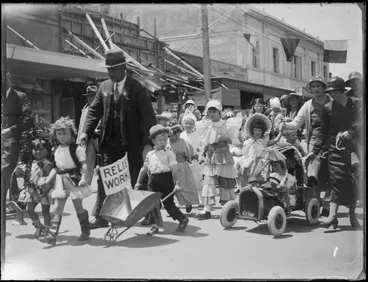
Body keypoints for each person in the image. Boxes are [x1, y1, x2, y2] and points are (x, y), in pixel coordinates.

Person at [80, 48, 157, 229]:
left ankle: (150, 214)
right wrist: (85, 132)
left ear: (123, 67)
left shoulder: (137, 88)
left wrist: (148, 143)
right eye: (108, 69)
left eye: (114, 69)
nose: (111, 73)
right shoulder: (104, 87)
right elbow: (94, 111)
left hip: (133, 143)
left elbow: (148, 117)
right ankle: (101, 216)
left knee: (140, 176)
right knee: (105, 178)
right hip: (109, 141)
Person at [306, 76, 361, 229]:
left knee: (353, 183)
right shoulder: (328, 108)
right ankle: (332, 216)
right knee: (336, 181)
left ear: (341, 90)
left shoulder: (356, 104)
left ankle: (352, 216)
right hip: (335, 150)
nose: (332, 95)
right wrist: (314, 152)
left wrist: (351, 132)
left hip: (354, 149)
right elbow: (323, 132)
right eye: (330, 92)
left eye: (334, 91)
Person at [283, 75, 332, 216]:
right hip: (313, 141)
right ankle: (315, 203)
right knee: (312, 174)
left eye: (318, 86)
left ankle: (328, 203)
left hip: (331, 141)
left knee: (330, 174)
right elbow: (296, 123)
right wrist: (283, 125)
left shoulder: (332, 102)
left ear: (324, 88)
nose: (315, 89)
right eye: (313, 86)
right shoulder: (307, 105)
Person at [40, 117, 92, 244]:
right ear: (55, 135)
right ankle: (52, 235)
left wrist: (84, 178)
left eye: (65, 133)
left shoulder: (77, 149)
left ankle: (85, 230)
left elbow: (84, 165)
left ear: (71, 134)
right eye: (59, 133)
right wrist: (47, 181)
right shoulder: (55, 150)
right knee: (58, 208)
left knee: (78, 207)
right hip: (60, 181)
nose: (62, 136)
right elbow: (55, 168)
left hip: (74, 180)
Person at [134, 124, 189, 235]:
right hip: (152, 180)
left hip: (165, 179)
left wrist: (177, 183)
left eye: (165, 139)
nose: (163, 142)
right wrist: (138, 182)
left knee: (168, 204)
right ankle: (155, 226)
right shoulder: (150, 154)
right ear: (153, 141)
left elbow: (175, 169)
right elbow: (144, 168)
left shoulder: (170, 154)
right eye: (160, 140)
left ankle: (182, 219)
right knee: (153, 204)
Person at [196, 100, 242, 218]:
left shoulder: (226, 125)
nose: (211, 114)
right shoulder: (206, 125)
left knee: (225, 181)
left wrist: (226, 138)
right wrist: (203, 153)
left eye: (214, 111)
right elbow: (205, 142)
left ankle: (228, 209)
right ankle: (207, 209)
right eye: (209, 111)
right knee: (208, 181)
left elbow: (235, 141)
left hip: (224, 156)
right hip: (211, 156)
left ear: (219, 112)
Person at [2, 71, 34, 215]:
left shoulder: (21, 96)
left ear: (8, 77)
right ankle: (15, 201)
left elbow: (28, 121)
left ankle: (9, 203)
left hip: (13, 139)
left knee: (5, 169)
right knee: (8, 172)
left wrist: (9, 130)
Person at [12, 128, 53, 237]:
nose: (37, 152)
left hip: (44, 191)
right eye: (35, 149)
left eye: (41, 149)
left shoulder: (47, 164)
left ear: (47, 150)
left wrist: (45, 189)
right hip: (32, 191)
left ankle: (47, 229)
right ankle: (39, 225)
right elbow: (27, 176)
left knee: (45, 211)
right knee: (30, 210)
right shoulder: (31, 163)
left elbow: (48, 178)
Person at [238, 113, 285, 187]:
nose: (257, 132)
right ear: (252, 131)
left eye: (259, 130)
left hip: (261, 164)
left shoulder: (263, 141)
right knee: (244, 170)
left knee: (260, 179)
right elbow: (244, 152)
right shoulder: (249, 141)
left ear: (262, 132)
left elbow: (275, 140)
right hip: (250, 163)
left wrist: (281, 132)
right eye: (256, 130)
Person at [168, 124, 199, 213]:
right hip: (170, 167)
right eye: (172, 134)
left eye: (176, 134)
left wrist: (190, 157)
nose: (174, 136)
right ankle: (173, 207)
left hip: (181, 166)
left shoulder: (183, 141)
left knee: (184, 186)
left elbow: (190, 152)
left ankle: (187, 203)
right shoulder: (167, 142)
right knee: (171, 186)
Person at [76, 85, 100, 185]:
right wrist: (79, 140)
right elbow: (81, 125)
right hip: (88, 139)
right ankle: (87, 185)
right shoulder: (85, 108)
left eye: (93, 96)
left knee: (105, 161)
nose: (90, 98)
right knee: (88, 162)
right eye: (89, 96)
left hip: (99, 137)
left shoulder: (102, 107)